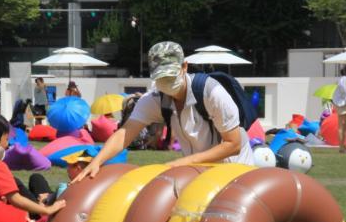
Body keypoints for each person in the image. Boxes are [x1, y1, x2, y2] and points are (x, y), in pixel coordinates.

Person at [72, 41, 254, 183]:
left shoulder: (211, 93)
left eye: (170, 75)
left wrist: (181, 163)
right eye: (161, 77)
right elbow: (124, 134)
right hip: (198, 172)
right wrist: (97, 161)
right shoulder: (155, 99)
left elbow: (233, 144)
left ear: (184, 67)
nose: (166, 81)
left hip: (235, 170)